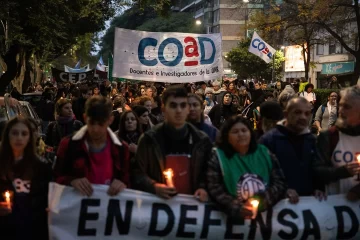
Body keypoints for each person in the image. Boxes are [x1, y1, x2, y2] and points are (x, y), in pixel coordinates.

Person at [132, 85, 212, 202]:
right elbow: (136, 173)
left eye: (183, 105)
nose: (179, 110)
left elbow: (211, 173)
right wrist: (154, 186)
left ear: (187, 109)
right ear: (164, 108)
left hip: (192, 208)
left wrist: (203, 188)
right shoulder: (149, 139)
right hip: (159, 206)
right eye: (173, 105)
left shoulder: (201, 140)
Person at [207, 116, 286, 219]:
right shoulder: (218, 156)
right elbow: (214, 188)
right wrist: (237, 207)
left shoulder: (265, 153)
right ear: (227, 136)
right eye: (235, 132)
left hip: (265, 218)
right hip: (230, 219)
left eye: (244, 130)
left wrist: (263, 201)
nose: (240, 134)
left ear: (250, 133)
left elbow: (280, 182)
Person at [54, 96, 130, 196]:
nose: (95, 129)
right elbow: (55, 177)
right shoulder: (68, 144)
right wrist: (71, 181)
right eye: (92, 123)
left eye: (101, 123)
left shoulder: (121, 148)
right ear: (85, 118)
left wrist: (122, 184)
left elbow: (128, 181)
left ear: (110, 120)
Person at [259, 98, 326, 204]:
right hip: (279, 207)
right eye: (297, 112)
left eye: (307, 113)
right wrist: (282, 192)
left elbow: (317, 170)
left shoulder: (312, 141)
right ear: (286, 114)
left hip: (310, 207)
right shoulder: (268, 140)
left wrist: (319, 188)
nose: (303, 117)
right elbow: (262, 176)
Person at [0, 117, 52, 240]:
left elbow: (48, 199)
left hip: (32, 229)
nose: (19, 138)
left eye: (24, 134)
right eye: (14, 133)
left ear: (30, 138)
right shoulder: (1, 164)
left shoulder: (41, 167)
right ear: (7, 135)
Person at [316, 86, 360, 200]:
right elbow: (317, 172)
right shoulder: (329, 136)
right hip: (333, 209)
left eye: (346, 107)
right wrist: (343, 172)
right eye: (340, 105)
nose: (340, 110)